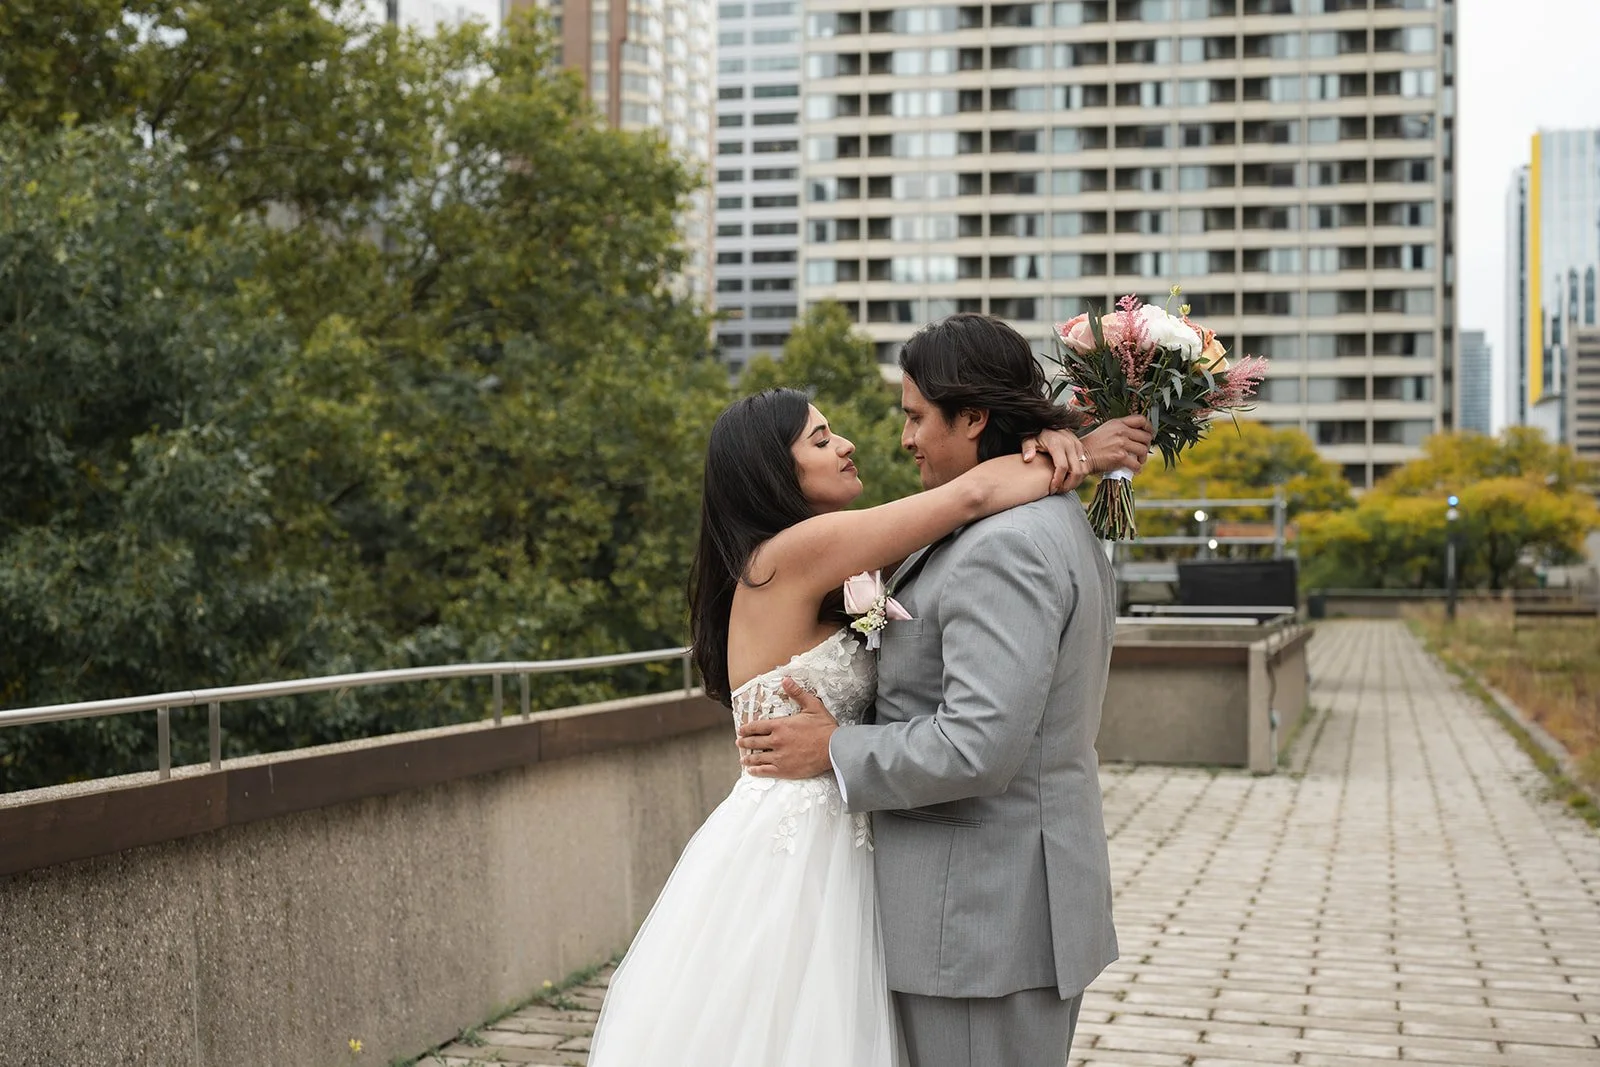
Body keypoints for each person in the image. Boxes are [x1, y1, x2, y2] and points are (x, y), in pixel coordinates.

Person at [588, 366, 1150, 1065]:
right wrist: (1082, 451)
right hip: (799, 845)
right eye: (822, 439)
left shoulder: (826, 556)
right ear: (773, 471)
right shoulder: (793, 553)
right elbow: (970, 495)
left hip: (849, 827)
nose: (848, 443)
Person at [737, 314, 1127, 1067]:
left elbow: (978, 744)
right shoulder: (1029, 518)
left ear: (973, 416)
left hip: (979, 925)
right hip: (991, 912)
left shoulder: (1004, 545)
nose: (904, 438)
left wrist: (835, 747)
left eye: (916, 416)